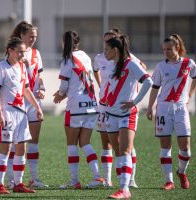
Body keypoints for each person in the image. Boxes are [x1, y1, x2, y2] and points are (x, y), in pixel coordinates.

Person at [0, 37, 43, 194]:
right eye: (20, 51)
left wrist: (36, 107)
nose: (22, 55)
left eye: (24, 52)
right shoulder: (0, 68)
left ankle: (18, 184)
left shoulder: (22, 67)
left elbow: (26, 90)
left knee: (21, 148)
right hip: (7, 113)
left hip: (21, 114)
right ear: (10, 50)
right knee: (5, 150)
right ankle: (0, 185)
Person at [53, 30, 105, 189]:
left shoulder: (67, 59)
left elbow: (64, 86)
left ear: (64, 42)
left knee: (71, 144)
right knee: (85, 143)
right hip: (91, 104)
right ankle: (98, 177)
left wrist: (59, 95)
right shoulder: (85, 56)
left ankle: (75, 181)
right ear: (79, 43)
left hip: (75, 107)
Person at [103, 36, 152, 199]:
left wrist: (135, 102)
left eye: (106, 49)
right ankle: (123, 185)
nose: (105, 52)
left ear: (115, 50)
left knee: (124, 150)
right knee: (118, 152)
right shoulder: (113, 65)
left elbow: (148, 82)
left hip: (127, 114)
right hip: (111, 114)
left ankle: (124, 189)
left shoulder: (131, 63)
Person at [147, 34, 196, 190]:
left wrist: (189, 94)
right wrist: (149, 107)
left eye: (169, 49)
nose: (166, 52)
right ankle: (169, 181)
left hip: (181, 109)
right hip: (163, 108)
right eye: (164, 49)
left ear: (178, 48)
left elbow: (195, 77)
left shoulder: (189, 64)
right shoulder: (161, 66)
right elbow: (155, 88)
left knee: (186, 149)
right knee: (165, 146)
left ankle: (181, 172)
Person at [93, 29, 141, 188]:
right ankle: (108, 180)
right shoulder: (100, 58)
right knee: (107, 143)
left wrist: (135, 99)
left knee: (127, 146)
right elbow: (95, 71)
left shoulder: (129, 59)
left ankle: (129, 181)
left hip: (124, 107)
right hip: (106, 106)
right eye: (105, 41)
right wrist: (101, 88)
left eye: (110, 41)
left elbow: (143, 75)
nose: (106, 46)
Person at [5, 21, 47, 189]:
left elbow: (39, 76)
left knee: (34, 141)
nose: (33, 39)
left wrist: (42, 87)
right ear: (21, 35)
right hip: (18, 104)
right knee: (16, 142)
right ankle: (11, 178)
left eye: (35, 37)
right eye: (30, 36)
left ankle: (34, 178)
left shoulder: (37, 53)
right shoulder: (14, 52)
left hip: (34, 102)